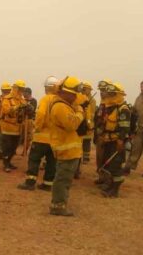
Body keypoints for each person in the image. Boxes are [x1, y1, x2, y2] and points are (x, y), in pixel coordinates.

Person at [48, 76, 85, 216]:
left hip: (70, 150)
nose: (76, 97)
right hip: (66, 150)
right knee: (62, 179)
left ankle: (60, 203)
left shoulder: (65, 105)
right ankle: (58, 206)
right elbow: (72, 124)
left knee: (65, 179)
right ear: (65, 92)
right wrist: (80, 112)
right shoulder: (60, 106)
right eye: (74, 94)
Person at [17, 76, 59, 191]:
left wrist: (37, 127)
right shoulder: (60, 100)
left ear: (48, 87)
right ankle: (47, 184)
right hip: (55, 139)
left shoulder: (46, 99)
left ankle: (30, 183)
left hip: (42, 138)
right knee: (51, 162)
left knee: (34, 159)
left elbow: (40, 115)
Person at [93, 82, 131, 197]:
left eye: (111, 94)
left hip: (116, 142)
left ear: (118, 94)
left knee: (115, 166)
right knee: (108, 165)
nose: (109, 96)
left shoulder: (123, 109)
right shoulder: (110, 107)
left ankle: (114, 191)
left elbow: (124, 127)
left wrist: (120, 141)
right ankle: (110, 185)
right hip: (107, 141)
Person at [0, 79, 31, 173]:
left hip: (18, 128)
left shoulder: (22, 100)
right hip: (8, 127)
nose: (22, 91)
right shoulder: (7, 98)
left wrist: (29, 108)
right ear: (16, 88)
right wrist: (17, 107)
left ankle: (9, 161)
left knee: (14, 147)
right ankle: (5, 164)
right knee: (7, 147)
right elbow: (6, 110)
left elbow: (26, 109)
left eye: (23, 89)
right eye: (20, 89)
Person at [81, 81, 96, 164]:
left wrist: (88, 122)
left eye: (85, 89)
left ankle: (86, 157)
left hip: (88, 123)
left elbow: (92, 113)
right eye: (82, 89)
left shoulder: (92, 101)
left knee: (86, 141)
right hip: (80, 122)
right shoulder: (79, 98)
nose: (83, 90)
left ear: (89, 90)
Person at [23, 87, 37, 153]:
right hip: (22, 120)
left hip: (30, 120)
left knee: (29, 137)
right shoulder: (23, 100)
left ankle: (25, 151)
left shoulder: (33, 101)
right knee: (20, 135)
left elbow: (31, 110)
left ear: (28, 93)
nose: (23, 94)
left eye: (25, 92)